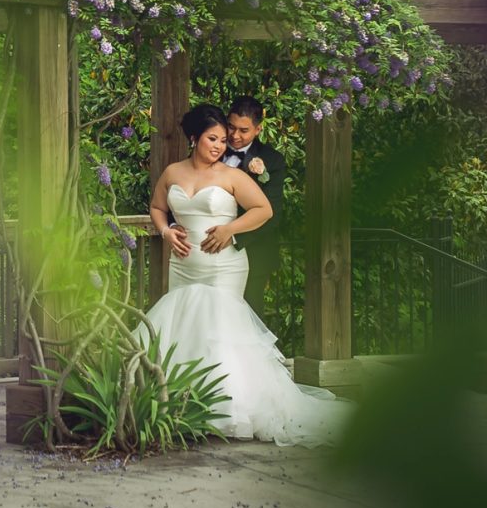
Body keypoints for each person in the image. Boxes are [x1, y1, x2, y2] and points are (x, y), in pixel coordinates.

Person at [143, 105, 349, 445]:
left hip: (223, 266)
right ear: (194, 138)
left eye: (223, 140)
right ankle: (182, 404)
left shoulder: (231, 175)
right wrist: (165, 232)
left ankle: (227, 409)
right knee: (184, 329)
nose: (220, 146)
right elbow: (157, 207)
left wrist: (229, 230)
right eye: (213, 139)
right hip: (183, 265)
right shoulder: (172, 172)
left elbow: (264, 210)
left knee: (220, 331)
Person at [222, 96, 288, 322]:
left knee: (248, 313)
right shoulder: (209, 149)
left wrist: (231, 238)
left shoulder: (273, 160)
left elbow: (273, 215)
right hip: (209, 250)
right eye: (231, 127)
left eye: (243, 130)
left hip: (252, 249)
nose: (235, 135)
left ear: (258, 129)